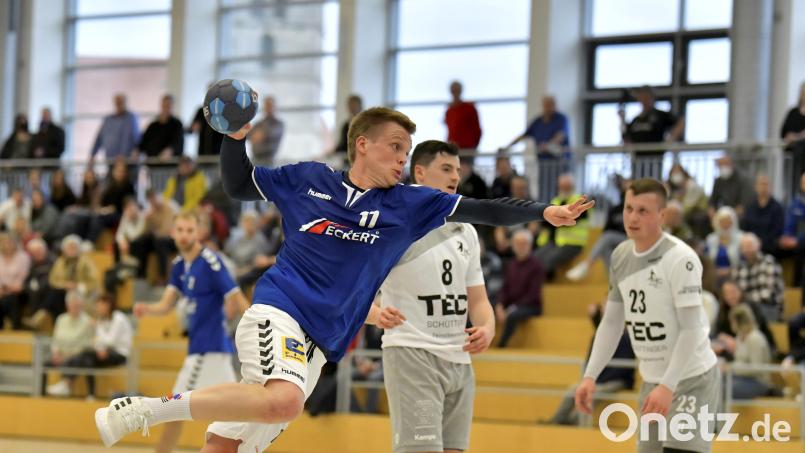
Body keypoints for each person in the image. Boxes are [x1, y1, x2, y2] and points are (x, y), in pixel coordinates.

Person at [95, 106, 593, 452]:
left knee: (231, 442)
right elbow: (237, 184)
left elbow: (485, 208)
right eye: (396, 148)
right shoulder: (309, 179)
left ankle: (157, 413)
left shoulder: (411, 205)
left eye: (408, 150)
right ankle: (146, 410)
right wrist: (235, 138)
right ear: (362, 145)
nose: (403, 158)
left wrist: (543, 211)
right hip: (279, 311)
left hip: (320, 343)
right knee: (285, 401)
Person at [575, 178, 719, 453]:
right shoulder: (620, 255)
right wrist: (590, 376)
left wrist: (669, 385)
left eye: (643, 211)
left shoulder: (681, 258)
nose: (632, 217)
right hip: (653, 380)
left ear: (662, 216)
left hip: (690, 379)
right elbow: (613, 322)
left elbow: (692, 330)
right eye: (629, 208)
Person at [372, 140, 495, 453]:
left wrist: (487, 327)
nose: (455, 176)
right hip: (413, 353)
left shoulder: (465, 230)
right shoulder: (395, 223)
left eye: (457, 169)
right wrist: (373, 314)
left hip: (459, 360)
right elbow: (351, 286)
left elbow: (479, 301)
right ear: (420, 173)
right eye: (446, 169)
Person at [131, 211, 250, 453]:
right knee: (237, 413)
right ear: (173, 233)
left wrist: (257, 330)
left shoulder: (210, 262)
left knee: (174, 410)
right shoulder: (178, 265)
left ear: (199, 233)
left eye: (190, 231)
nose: (185, 235)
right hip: (204, 351)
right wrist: (147, 308)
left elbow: (236, 298)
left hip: (208, 351)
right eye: (181, 230)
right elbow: (166, 304)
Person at [544, 302, 635, 426]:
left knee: (593, 393)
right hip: (600, 379)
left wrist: (598, 379)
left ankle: (575, 422)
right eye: (603, 307)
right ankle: (557, 420)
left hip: (618, 380)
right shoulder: (598, 336)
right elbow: (590, 359)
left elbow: (623, 368)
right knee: (573, 389)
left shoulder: (626, 337)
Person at [47, 294, 133, 398]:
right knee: (88, 361)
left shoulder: (118, 318)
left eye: (100, 305)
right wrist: (100, 349)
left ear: (107, 305)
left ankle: (67, 383)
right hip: (106, 352)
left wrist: (97, 326)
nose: (98, 308)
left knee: (85, 353)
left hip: (120, 354)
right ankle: (90, 394)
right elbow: (98, 341)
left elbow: (110, 341)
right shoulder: (103, 320)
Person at [506, 95, 571, 201]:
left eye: (550, 105)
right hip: (543, 163)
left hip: (559, 162)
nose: (548, 108)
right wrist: (508, 146)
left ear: (554, 105)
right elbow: (524, 135)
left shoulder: (561, 119)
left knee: (559, 188)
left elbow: (561, 135)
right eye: (546, 105)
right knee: (545, 189)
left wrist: (549, 144)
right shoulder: (538, 121)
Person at [566, 178, 628, 281]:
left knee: (607, 237)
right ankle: (614, 283)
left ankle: (587, 265)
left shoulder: (636, 210)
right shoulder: (615, 209)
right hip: (616, 241)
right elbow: (606, 229)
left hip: (632, 239)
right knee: (605, 249)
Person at [620, 86, 684, 180]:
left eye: (646, 97)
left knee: (652, 184)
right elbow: (626, 137)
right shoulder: (636, 120)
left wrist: (670, 139)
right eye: (641, 98)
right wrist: (622, 120)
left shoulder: (660, 115)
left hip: (654, 159)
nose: (644, 101)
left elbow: (680, 122)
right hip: (637, 160)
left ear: (652, 98)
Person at [496, 229, 545, 348]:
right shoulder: (511, 264)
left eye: (524, 243)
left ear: (530, 245)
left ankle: (501, 345)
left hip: (531, 306)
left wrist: (512, 308)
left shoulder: (536, 266)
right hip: (512, 305)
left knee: (513, 315)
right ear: (512, 245)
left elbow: (533, 295)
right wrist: (500, 305)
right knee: (487, 308)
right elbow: (505, 289)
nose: (521, 247)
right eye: (517, 243)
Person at [535, 174, 591, 276]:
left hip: (574, 243)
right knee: (534, 258)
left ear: (573, 186)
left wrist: (555, 220)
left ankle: (545, 286)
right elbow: (546, 222)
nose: (564, 189)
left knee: (548, 260)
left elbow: (569, 220)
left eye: (567, 186)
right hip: (555, 242)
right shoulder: (555, 201)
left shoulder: (580, 201)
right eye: (562, 186)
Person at [45, 290, 94, 396]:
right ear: (67, 305)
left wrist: (68, 355)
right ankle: (40, 393)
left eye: (77, 306)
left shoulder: (88, 321)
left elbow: (87, 344)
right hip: (60, 354)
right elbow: (55, 340)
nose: (75, 308)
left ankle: (66, 385)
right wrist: (56, 352)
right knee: (44, 362)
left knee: (76, 360)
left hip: (76, 355)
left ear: (82, 305)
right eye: (72, 305)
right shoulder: (61, 319)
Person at [731, 233, 784, 322]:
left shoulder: (769, 262)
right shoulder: (738, 266)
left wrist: (744, 300)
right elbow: (735, 292)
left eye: (750, 246)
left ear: (759, 245)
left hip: (769, 308)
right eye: (744, 247)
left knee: (748, 312)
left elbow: (768, 295)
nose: (747, 249)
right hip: (744, 307)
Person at [725, 304, 772, 400]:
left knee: (726, 388)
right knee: (718, 382)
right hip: (741, 378)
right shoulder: (739, 337)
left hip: (758, 381)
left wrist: (732, 368)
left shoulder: (755, 338)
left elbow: (756, 368)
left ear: (739, 322)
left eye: (732, 321)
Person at [741, 174, 785, 255]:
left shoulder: (777, 207)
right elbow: (745, 226)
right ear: (756, 187)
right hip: (750, 245)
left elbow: (778, 230)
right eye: (761, 184)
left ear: (770, 187)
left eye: (766, 184)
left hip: (769, 246)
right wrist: (752, 241)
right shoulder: (750, 205)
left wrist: (761, 242)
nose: (763, 187)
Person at [778, 173, 805, 294]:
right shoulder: (795, 203)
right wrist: (786, 237)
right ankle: (793, 290)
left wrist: (798, 240)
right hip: (796, 245)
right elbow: (789, 224)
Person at [90, 94, 140, 161]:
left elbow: (135, 138)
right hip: (111, 159)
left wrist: (128, 153)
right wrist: (93, 155)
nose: (119, 105)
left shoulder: (131, 118)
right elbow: (99, 138)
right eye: (117, 103)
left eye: (121, 102)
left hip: (126, 161)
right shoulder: (108, 120)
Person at [667, 164, 710, 240]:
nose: (675, 175)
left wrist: (674, 215)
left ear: (684, 173)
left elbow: (688, 206)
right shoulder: (673, 187)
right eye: (673, 173)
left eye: (677, 173)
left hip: (694, 213)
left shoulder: (693, 186)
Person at [0, 233, 31, 329]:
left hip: (19, 291)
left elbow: (21, 281)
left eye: (10, 242)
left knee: (10, 299)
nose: (7, 245)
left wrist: (5, 289)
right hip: (2, 291)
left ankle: (16, 328)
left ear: (15, 243)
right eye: (4, 242)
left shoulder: (23, 257)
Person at [139, 95, 184, 160]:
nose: (166, 108)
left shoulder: (177, 124)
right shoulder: (153, 125)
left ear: (172, 107)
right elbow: (143, 143)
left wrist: (170, 150)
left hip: (169, 165)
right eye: (164, 105)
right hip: (152, 164)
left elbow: (178, 143)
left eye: (168, 106)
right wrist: (137, 150)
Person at [781, 81, 805, 199]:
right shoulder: (793, 113)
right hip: (793, 156)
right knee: (792, 184)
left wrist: (796, 137)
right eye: (803, 92)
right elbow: (784, 134)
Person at [705, 206, 742, 280]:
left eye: (728, 221)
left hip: (736, 276)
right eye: (722, 221)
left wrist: (730, 271)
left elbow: (744, 262)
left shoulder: (741, 238)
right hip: (715, 277)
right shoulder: (710, 239)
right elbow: (707, 260)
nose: (725, 224)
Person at [444, 81, 481, 150]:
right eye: (453, 91)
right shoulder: (449, 111)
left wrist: (473, 146)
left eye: (457, 90)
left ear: (460, 91)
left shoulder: (469, 108)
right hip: (452, 148)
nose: (455, 93)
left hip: (467, 148)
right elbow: (450, 130)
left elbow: (477, 130)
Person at [248, 96, 284, 166]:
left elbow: (269, 134)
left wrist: (260, 135)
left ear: (275, 107)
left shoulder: (278, 124)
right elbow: (248, 135)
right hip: (255, 160)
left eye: (270, 106)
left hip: (268, 161)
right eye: (266, 106)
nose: (268, 108)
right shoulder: (259, 123)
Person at [334, 95, 363, 163]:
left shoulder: (366, 124)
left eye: (354, 105)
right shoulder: (345, 125)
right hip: (347, 160)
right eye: (350, 105)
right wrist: (332, 152)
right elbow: (342, 144)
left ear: (360, 106)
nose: (352, 108)